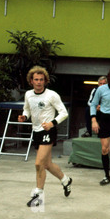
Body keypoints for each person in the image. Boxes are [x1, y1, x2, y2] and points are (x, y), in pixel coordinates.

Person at [18, 66, 71, 207]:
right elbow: (27, 109)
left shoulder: (52, 95)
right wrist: (24, 116)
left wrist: (52, 123)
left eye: (41, 80)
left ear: (45, 81)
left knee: (38, 164)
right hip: (36, 131)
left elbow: (64, 113)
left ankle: (38, 196)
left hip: (48, 131)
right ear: (31, 81)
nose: (39, 82)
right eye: (36, 79)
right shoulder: (28, 94)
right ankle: (65, 180)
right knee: (46, 164)